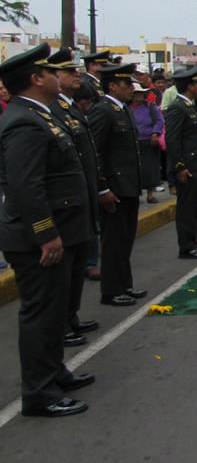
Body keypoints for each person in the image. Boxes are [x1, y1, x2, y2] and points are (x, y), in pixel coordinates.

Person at [0, 43, 96, 417]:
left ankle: (55, 371)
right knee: (41, 313)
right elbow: (26, 186)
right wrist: (45, 233)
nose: (60, 75)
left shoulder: (43, 114)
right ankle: (39, 392)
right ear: (36, 79)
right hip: (39, 238)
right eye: (51, 71)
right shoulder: (24, 120)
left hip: (62, 230)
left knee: (55, 311)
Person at [46, 49, 101, 348]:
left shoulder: (69, 109)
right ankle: (62, 324)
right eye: (69, 72)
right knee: (63, 272)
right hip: (63, 207)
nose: (76, 74)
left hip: (81, 198)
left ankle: (71, 316)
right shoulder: (50, 112)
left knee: (77, 262)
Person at [88, 63, 146, 306]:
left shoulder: (121, 109)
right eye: (126, 84)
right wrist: (103, 188)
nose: (131, 88)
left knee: (125, 239)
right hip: (115, 187)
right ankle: (111, 291)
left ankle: (124, 284)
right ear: (112, 86)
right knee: (113, 241)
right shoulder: (103, 110)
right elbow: (96, 152)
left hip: (128, 185)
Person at [164, 67, 197, 259]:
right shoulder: (177, 108)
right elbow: (172, 140)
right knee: (187, 208)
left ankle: (193, 242)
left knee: (195, 207)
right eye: (196, 84)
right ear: (190, 86)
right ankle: (187, 246)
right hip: (188, 166)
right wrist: (180, 166)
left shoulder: (190, 105)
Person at [130, 83, 164, 204]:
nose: (139, 96)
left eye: (141, 93)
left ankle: (150, 194)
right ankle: (136, 193)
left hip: (149, 141)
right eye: (137, 93)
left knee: (150, 168)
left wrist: (155, 133)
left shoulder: (150, 106)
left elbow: (159, 120)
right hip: (133, 142)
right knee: (135, 169)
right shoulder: (126, 108)